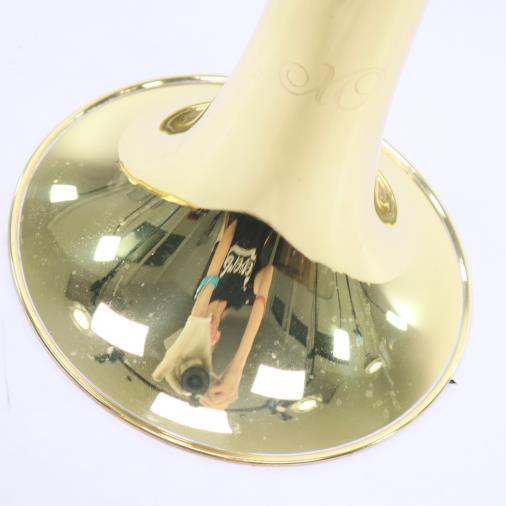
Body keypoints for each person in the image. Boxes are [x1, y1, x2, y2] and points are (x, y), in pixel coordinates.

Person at [152, 212, 274, 410]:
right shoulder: (241, 298)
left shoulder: (206, 290)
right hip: (267, 219)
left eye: (201, 337)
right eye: (211, 340)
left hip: (242, 209)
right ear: (218, 336)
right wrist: (238, 364)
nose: (208, 333)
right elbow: (268, 272)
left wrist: (199, 312)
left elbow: (227, 235)